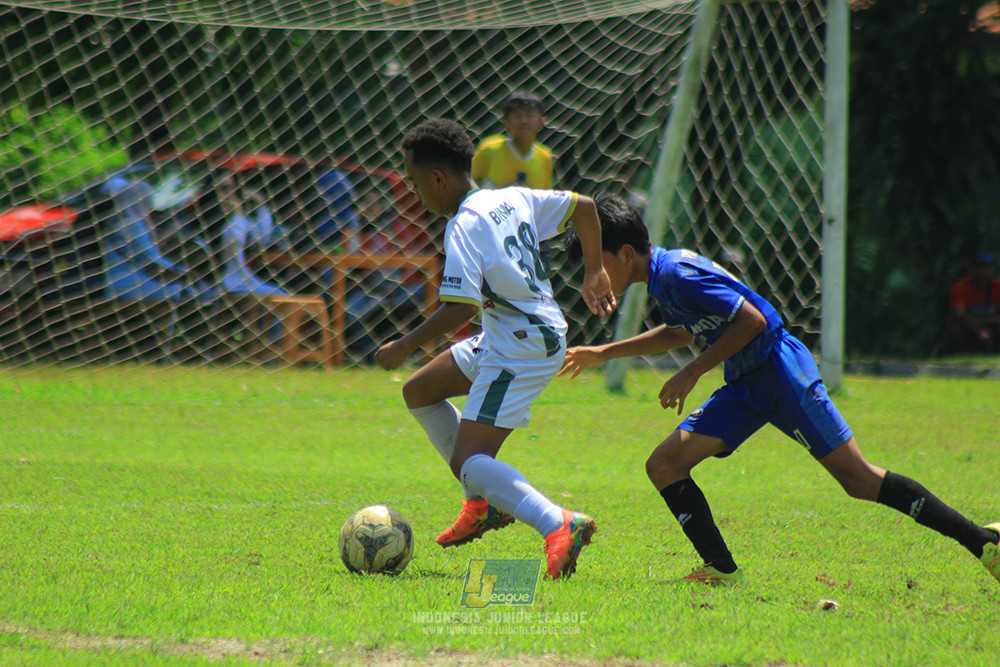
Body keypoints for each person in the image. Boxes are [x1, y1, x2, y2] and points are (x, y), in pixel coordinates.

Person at [559, 193, 1000, 586]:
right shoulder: (662, 277)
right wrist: (603, 352)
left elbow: (753, 321)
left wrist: (691, 373)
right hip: (746, 382)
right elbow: (681, 331)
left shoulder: (676, 273)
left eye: (596, 262)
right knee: (665, 464)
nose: (592, 273)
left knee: (858, 480)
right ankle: (720, 567)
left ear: (626, 253)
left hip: (780, 370)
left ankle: (984, 542)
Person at [374, 119, 616, 579]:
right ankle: (481, 505)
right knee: (420, 392)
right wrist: (593, 270)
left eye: (415, 183)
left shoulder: (463, 226)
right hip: (513, 332)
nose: (416, 194)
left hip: (520, 346)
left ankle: (558, 522)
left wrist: (404, 345)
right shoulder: (510, 197)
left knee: (468, 461)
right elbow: (584, 207)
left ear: (438, 178)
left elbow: (459, 308)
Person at [471, 91, 554, 190]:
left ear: (541, 121)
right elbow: (466, 180)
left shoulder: (545, 157)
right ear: (506, 123)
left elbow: (545, 195)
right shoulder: (490, 149)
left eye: (530, 115)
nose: (524, 121)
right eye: (517, 116)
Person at [944, 251, 1000, 353]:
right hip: (967, 328)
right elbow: (959, 314)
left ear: (993, 270)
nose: (983, 273)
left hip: (989, 327)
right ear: (971, 270)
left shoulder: (997, 287)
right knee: (955, 332)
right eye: (979, 268)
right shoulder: (960, 287)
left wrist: (982, 322)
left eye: (987, 268)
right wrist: (978, 330)